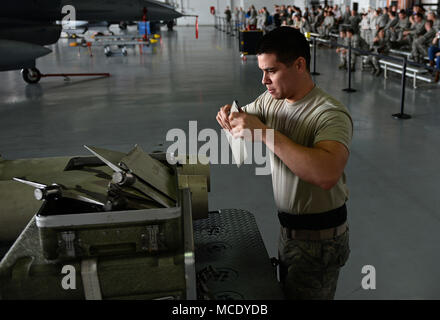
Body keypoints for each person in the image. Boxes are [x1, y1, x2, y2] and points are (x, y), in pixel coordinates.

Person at [216, 27, 352, 300]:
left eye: (272, 71)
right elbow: (245, 116)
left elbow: (327, 173)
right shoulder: (272, 100)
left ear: (299, 64)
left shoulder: (329, 113)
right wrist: (229, 115)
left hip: (320, 241)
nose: (264, 80)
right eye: (262, 71)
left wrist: (265, 134)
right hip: (289, 232)